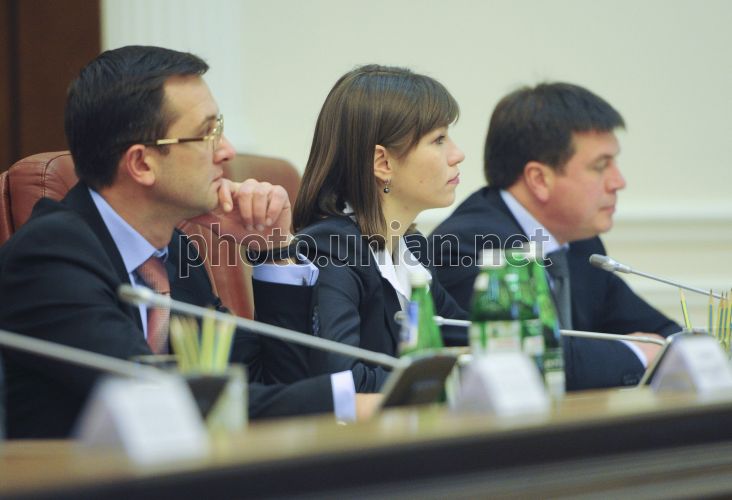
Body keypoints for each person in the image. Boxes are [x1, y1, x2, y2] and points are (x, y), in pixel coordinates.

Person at [0, 45, 375, 439]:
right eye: (207, 133)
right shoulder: (49, 257)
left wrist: (273, 251)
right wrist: (346, 403)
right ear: (142, 163)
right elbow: (155, 403)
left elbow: (269, 384)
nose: (227, 151)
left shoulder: (172, 253)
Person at [429, 82, 681, 390]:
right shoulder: (471, 244)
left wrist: (686, 348)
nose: (618, 182)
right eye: (601, 166)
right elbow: (528, 364)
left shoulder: (579, 242)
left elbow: (661, 330)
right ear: (539, 179)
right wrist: (638, 353)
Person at [258, 65, 468, 392]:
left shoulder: (410, 246)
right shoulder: (331, 249)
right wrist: (452, 382)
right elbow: (344, 381)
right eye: (438, 139)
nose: (457, 154)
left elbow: (465, 336)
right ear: (383, 163)